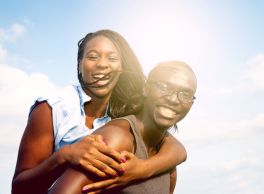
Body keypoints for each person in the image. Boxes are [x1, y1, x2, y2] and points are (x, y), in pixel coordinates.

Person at [11, 29, 187, 194]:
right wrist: (64, 156)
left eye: (112, 58)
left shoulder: (129, 109)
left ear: (122, 68)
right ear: (80, 65)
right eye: (93, 57)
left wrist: (139, 170)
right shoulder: (52, 109)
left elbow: (175, 148)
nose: (102, 64)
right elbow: (19, 188)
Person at [49, 60, 197, 194]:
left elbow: (179, 152)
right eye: (164, 87)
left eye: (185, 94)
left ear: (191, 103)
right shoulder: (117, 138)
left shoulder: (168, 162)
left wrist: (142, 169)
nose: (173, 99)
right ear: (146, 88)